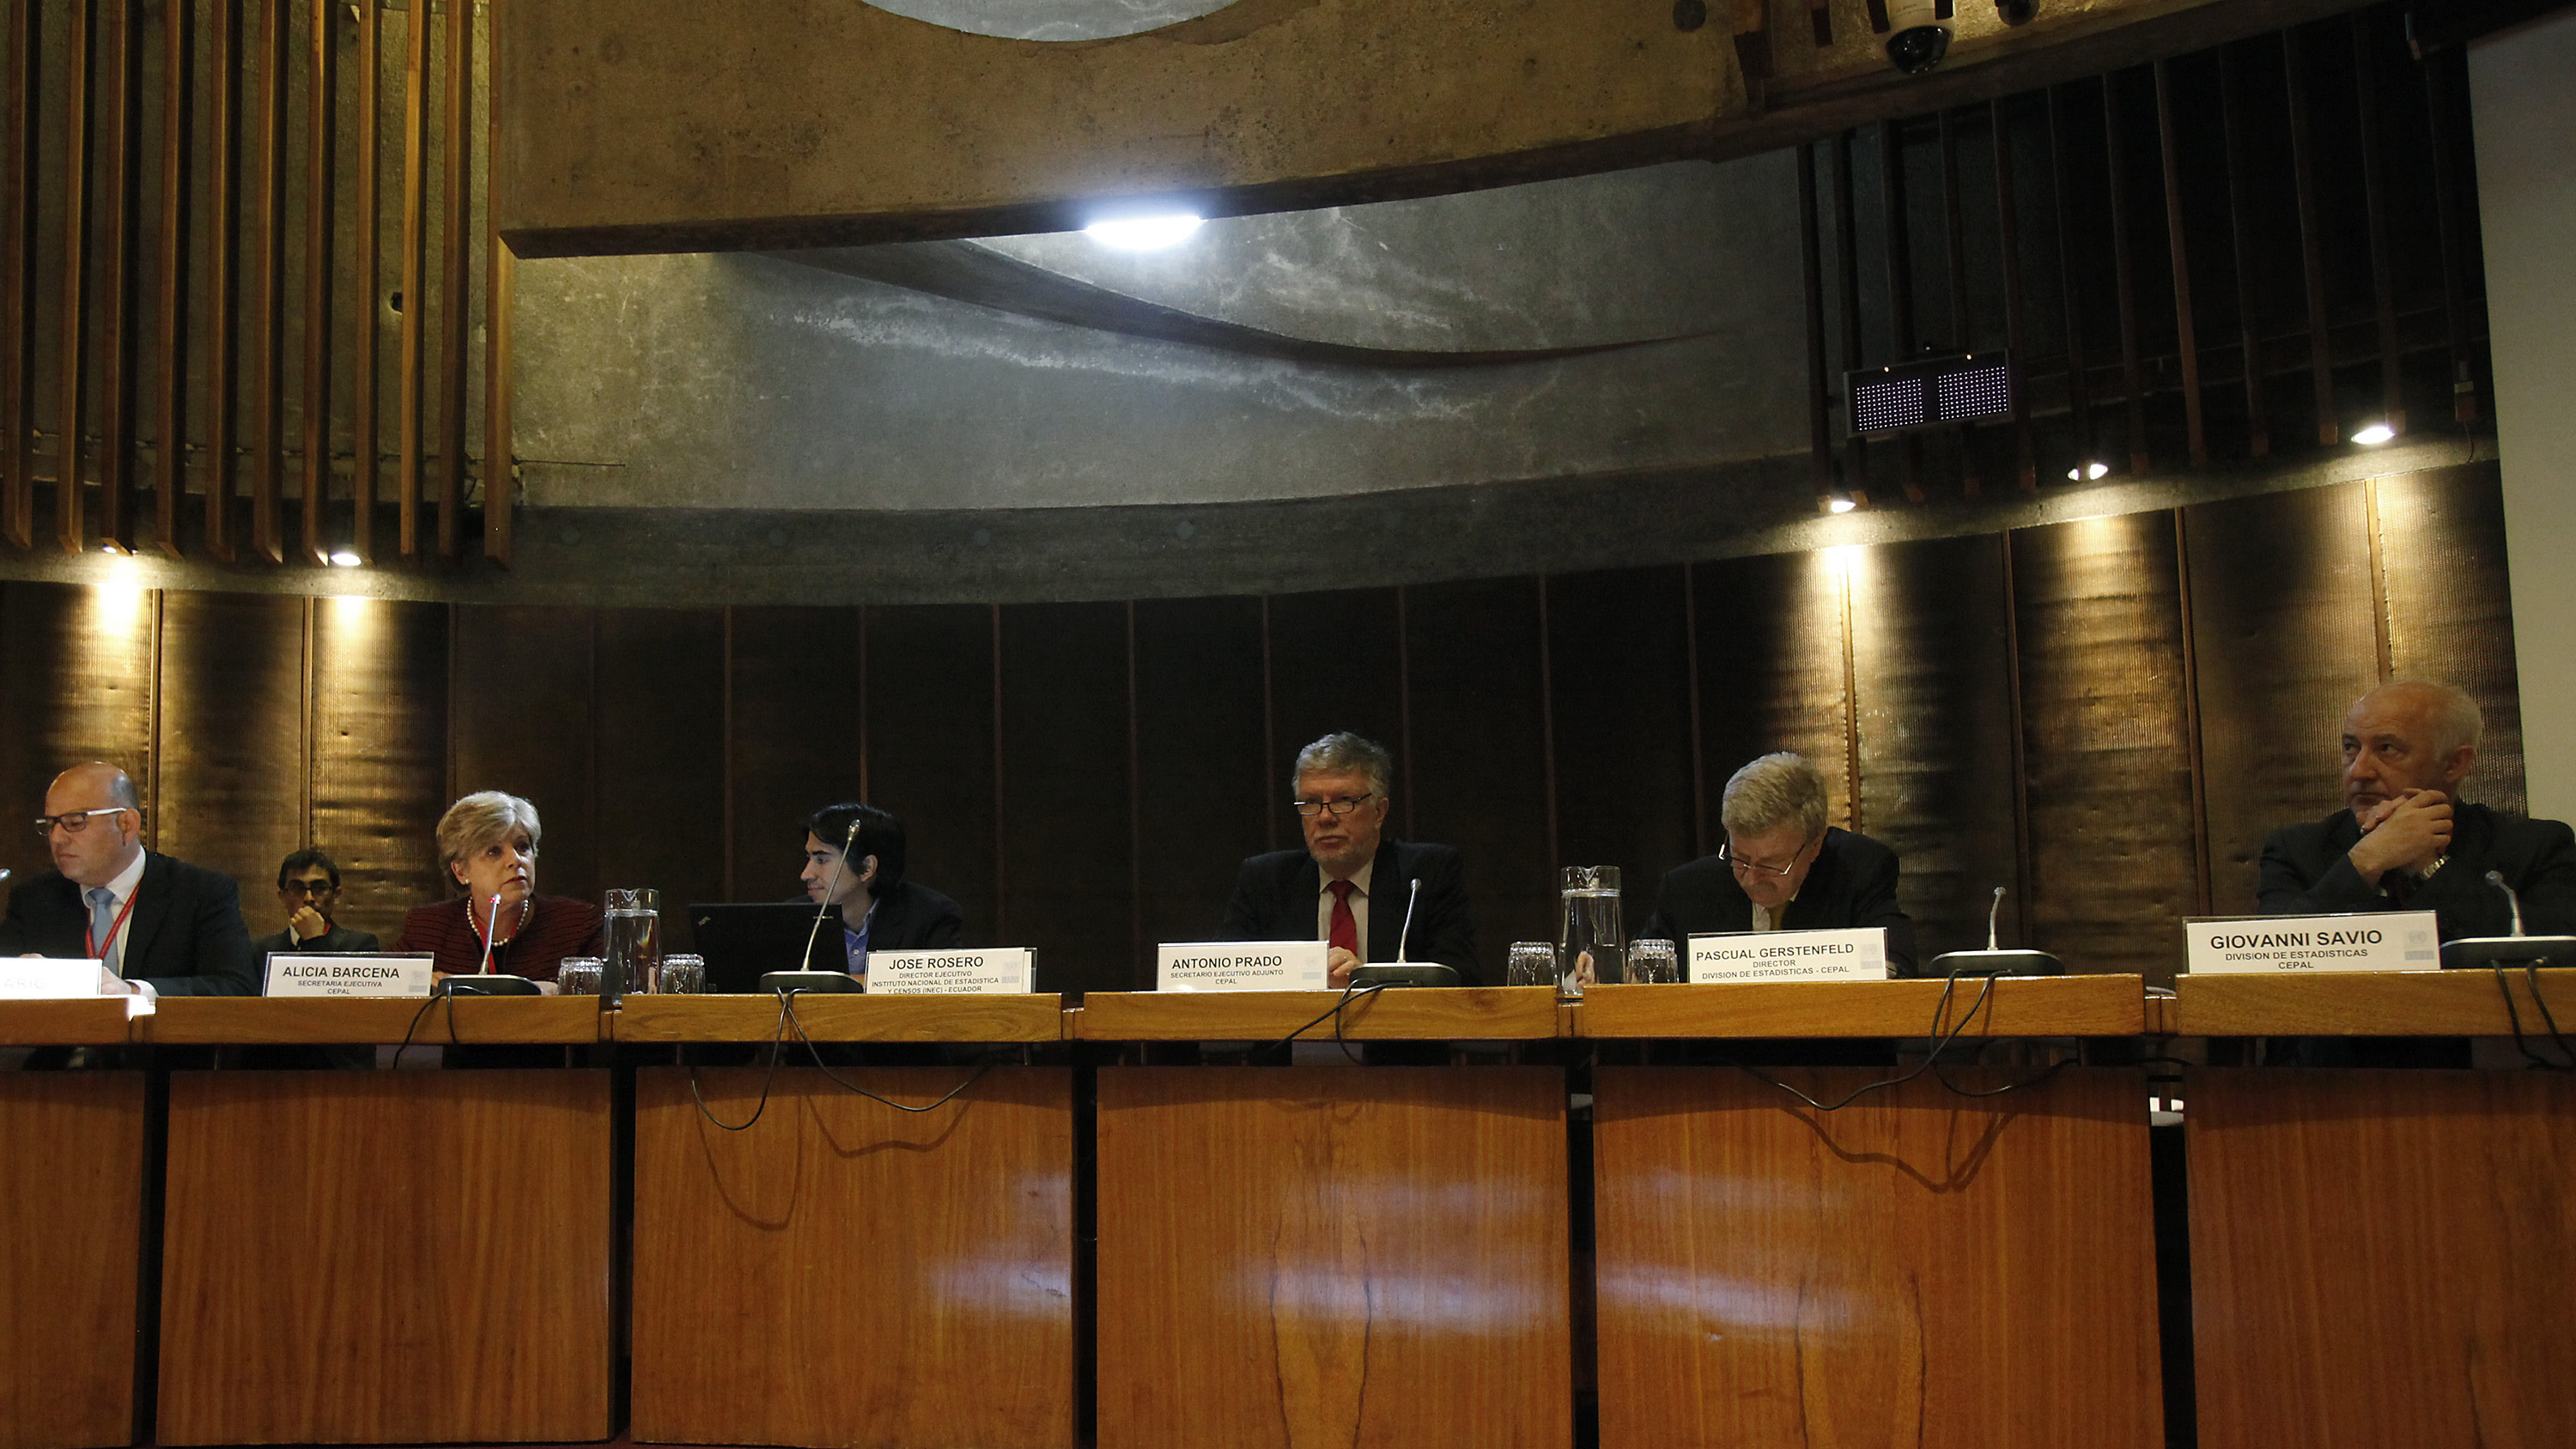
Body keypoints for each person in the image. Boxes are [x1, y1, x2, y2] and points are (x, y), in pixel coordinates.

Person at [2258, 679, 2575, 941]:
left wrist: (2427, 865)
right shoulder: (2296, 850)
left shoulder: (2536, 846)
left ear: (2454, 763)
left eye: (2387, 749)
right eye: (2350, 747)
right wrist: (2366, 861)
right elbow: (2271, 955)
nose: (2358, 771)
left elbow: (2554, 954)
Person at [1219, 731, 1478, 986]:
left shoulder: (1426, 877)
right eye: (1311, 802)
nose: (1325, 817)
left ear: (1379, 812)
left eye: (1344, 801)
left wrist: (1369, 982)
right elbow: (1224, 983)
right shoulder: (1265, 882)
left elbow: (1460, 982)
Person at [1639, 751, 1917, 976]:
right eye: (1740, 858)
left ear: (1815, 845)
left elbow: (1895, 965)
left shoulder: (1858, 870)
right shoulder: (1686, 890)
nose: (1750, 878)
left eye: (1770, 864)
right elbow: (1640, 976)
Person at [0, 762, 258, 997]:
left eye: (74, 822)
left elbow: (237, 987)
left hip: (158, 1046)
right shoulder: (33, 900)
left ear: (127, 824)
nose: (56, 838)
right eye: (51, 824)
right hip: (61, 1045)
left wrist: (134, 992)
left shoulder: (200, 892)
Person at [393, 791, 602, 986]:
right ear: (461, 871)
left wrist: (560, 991)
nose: (515, 860)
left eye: (522, 847)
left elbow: (615, 995)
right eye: (494, 851)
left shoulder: (578, 926)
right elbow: (380, 983)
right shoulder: (427, 930)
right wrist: (416, 982)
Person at [798, 803, 964, 981]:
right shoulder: (791, 917)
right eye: (809, 858)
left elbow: (943, 994)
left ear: (867, 867)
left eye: (822, 860)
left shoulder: (929, 917)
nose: (805, 875)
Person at [252, 849, 382, 961]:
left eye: (319, 888)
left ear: (336, 895)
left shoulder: (359, 947)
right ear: (282, 897)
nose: (309, 898)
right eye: (297, 888)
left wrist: (315, 942)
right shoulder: (261, 952)